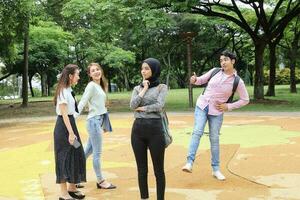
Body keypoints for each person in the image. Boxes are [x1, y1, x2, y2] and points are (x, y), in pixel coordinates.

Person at [182, 50, 250, 180]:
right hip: (202, 106)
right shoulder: (215, 71)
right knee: (197, 132)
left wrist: (228, 106)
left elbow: (245, 100)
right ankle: (189, 163)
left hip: (217, 111)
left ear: (233, 61)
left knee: (214, 138)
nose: (223, 62)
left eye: (225, 60)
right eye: (221, 60)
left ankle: (216, 169)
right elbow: (201, 80)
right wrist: (194, 80)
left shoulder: (237, 81)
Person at [130, 58, 168, 200]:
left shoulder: (162, 87)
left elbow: (159, 106)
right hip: (138, 131)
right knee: (142, 170)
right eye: (142, 68)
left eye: (146, 68)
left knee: (158, 170)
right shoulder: (137, 88)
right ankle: (144, 197)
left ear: (154, 70)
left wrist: (143, 108)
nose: (143, 71)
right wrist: (144, 89)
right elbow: (132, 106)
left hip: (155, 131)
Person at [76, 63, 116, 189]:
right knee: (97, 153)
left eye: (98, 69)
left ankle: (75, 177)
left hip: (97, 121)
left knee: (87, 151)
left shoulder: (100, 86)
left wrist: (104, 124)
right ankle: (100, 180)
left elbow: (101, 107)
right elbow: (82, 101)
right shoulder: (91, 86)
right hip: (93, 122)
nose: (96, 72)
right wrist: (73, 117)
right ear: (89, 74)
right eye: (93, 71)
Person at [53, 64, 86, 200]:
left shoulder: (68, 89)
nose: (78, 77)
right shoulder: (62, 90)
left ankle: (72, 187)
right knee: (64, 157)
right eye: (77, 74)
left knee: (77, 153)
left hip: (71, 125)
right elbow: (64, 114)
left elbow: (72, 113)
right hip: (64, 127)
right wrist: (71, 134)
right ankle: (63, 192)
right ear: (71, 76)